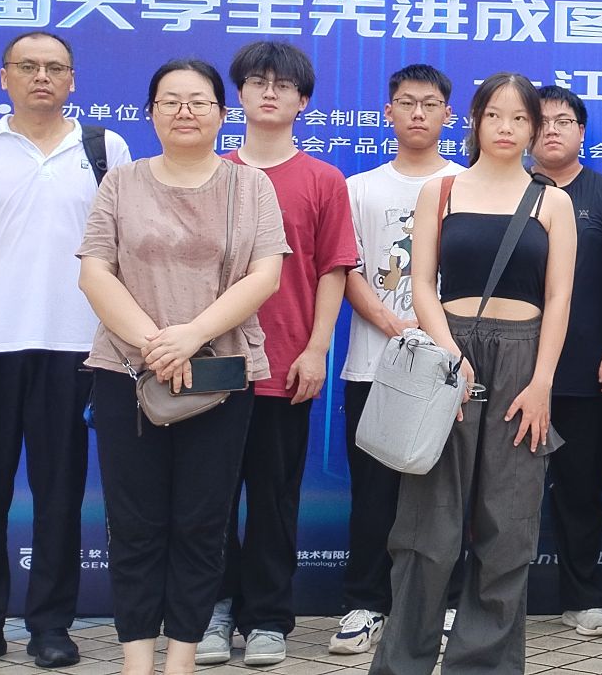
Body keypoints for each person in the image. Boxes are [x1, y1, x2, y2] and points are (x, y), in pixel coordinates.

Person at [0, 31, 132, 674]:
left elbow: (122, 247)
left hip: (77, 347)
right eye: (28, 66)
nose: (42, 76)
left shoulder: (104, 148)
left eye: (55, 67)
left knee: (60, 496)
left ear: (73, 80)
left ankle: (50, 626)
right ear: (3, 76)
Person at [77, 59, 289, 675]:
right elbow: (95, 271)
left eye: (198, 101)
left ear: (222, 113)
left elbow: (265, 275)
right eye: (170, 101)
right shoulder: (121, 182)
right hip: (126, 374)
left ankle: (182, 661)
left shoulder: (251, 187)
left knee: (202, 522)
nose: (184, 112)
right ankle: (137, 660)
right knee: (134, 522)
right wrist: (153, 345)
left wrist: (192, 336)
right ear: (150, 113)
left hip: (219, 376)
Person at [370, 73, 576, 675]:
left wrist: (541, 383)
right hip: (447, 357)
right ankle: (403, 663)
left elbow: (559, 298)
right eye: (494, 115)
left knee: (508, 527)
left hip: (523, 361)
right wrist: (450, 355)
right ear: (475, 122)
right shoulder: (441, 191)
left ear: (534, 128)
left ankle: (482, 665)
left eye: (520, 118)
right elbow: (423, 286)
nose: (506, 128)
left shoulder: (552, 202)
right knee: (426, 527)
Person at [198, 43, 359, 667]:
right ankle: (212, 611)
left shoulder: (323, 180)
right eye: (257, 82)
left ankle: (267, 618)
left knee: (273, 499)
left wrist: (317, 349)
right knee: (208, 499)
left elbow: (333, 270)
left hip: (285, 364)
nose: (269, 93)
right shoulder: (207, 171)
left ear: (303, 100)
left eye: (283, 85)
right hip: (210, 363)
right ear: (237, 94)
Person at [330, 64, 467, 655]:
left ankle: (443, 605)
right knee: (374, 494)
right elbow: (346, 268)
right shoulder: (358, 187)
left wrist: (435, 335)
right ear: (387, 112)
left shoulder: (467, 184)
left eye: (430, 104)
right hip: (374, 365)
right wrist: (394, 325)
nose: (417, 113)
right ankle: (366, 604)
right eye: (406, 103)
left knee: (444, 496)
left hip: (451, 367)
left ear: (448, 116)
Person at [528, 84, 602, 639]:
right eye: (541, 121)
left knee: (580, 489)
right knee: (501, 491)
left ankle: (583, 597)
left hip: (586, 366)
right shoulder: (505, 189)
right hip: (514, 365)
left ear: (582, 132)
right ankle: (494, 602)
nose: (552, 130)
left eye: (564, 121)